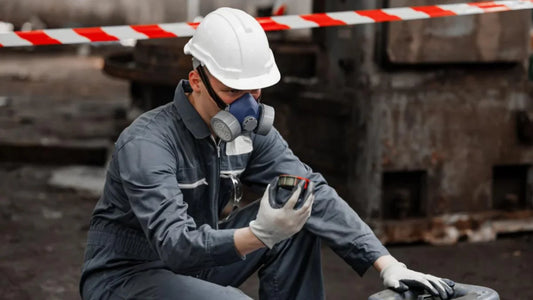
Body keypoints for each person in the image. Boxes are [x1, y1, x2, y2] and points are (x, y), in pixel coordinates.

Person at [80, 7, 455, 300]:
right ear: (197, 81)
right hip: (127, 275)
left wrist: (387, 263)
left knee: (297, 214)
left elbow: (312, 189)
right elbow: (176, 245)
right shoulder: (147, 144)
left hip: (195, 263)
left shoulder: (248, 131)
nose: (247, 105)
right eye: (232, 92)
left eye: (255, 90)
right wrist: (258, 234)